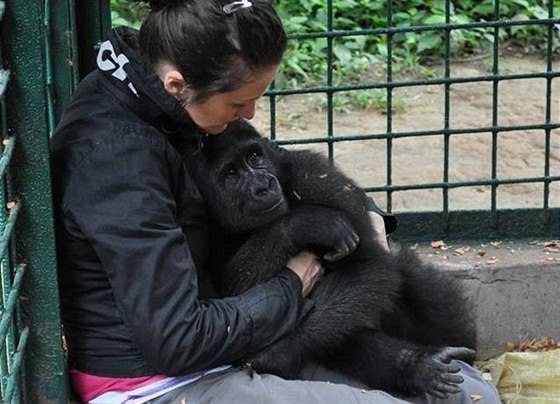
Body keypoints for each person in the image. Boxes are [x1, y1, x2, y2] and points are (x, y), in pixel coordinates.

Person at [50, 0, 500, 403]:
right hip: (160, 382)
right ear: (177, 84)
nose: (248, 115)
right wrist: (292, 282)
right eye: (237, 103)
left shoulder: (165, 98)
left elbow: (271, 158)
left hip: (227, 343)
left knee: (468, 391)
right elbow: (177, 340)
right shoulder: (119, 161)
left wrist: (361, 210)